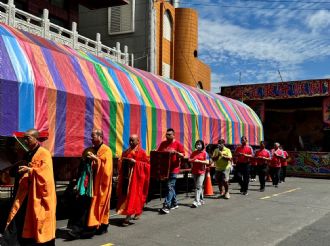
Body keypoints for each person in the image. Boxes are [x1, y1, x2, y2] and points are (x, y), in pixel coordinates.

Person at [4, 129, 56, 245]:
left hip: (39, 194)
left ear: (36, 138)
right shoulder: (28, 153)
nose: (25, 140)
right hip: (26, 193)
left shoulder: (44, 154)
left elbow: (47, 176)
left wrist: (31, 170)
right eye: (25, 138)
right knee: (19, 218)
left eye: (28, 138)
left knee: (39, 220)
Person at [68, 129, 113, 239]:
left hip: (100, 185)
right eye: (91, 136)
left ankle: (101, 226)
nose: (91, 139)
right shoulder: (89, 150)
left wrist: (97, 160)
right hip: (87, 184)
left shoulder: (106, 150)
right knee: (83, 205)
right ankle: (78, 229)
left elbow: (107, 171)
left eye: (93, 136)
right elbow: (82, 167)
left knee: (97, 206)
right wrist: (77, 182)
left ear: (100, 136)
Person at [117, 134, 150, 226]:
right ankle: (135, 211)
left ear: (138, 141)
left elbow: (147, 166)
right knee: (126, 196)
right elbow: (121, 161)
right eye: (130, 140)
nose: (131, 142)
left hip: (137, 179)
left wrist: (135, 163)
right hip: (127, 178)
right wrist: (121, 161)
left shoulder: (142, 152)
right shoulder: (126, 152)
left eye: (133, 140)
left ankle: (128, 217)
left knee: (133, 196)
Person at [158, 128, 185, 214]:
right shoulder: (163, 143)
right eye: (166, 134)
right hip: (166, 169)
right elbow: (159, 153)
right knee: (171, 186)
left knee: (170, 185)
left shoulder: (178, 144)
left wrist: (176, 153)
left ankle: (166, 206)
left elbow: (183, 155)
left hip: (174, 168)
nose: (167, 136)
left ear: (173, 135)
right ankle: (175, 203)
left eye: (169, 134)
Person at [189, 140, 208, 207]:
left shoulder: (205, 153)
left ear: (202, 145)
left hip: (201, 172)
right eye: (197, 144)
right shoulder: (194, 152)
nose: (198, 145)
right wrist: (193, 160)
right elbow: (189, 159)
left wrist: (199, 161)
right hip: (194, 171)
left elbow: (207, 162)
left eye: (199, 144)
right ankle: (201, 199)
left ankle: (196, 201)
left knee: (198, 186)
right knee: (198, 186)